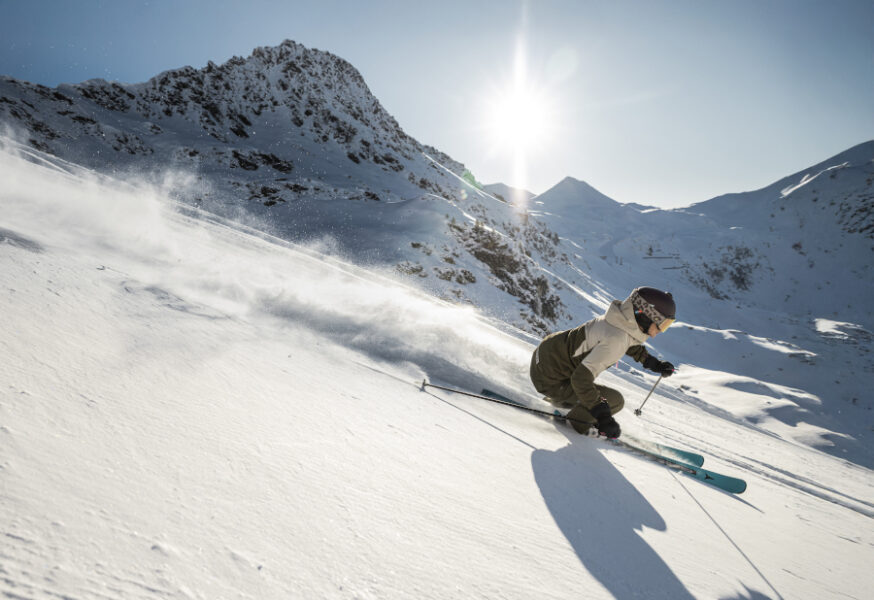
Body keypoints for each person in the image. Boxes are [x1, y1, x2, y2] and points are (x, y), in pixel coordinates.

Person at [529, 287, 677, 438]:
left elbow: (628, 343)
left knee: (591, 396)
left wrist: (653, 363)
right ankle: (577, 422)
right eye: (662, 324)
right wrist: (603, 417)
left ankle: (562, 403)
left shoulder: (619, 322)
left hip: (546, 356)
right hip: (549, 378)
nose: (661, 330)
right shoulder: (617, 340)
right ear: (647, 316)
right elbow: (580, 380)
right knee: (615, 401)